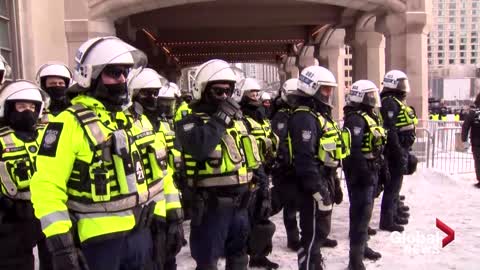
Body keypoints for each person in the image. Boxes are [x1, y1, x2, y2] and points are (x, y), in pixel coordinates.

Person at [30, 36, 172, 270]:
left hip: (141, 235)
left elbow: (157, 173)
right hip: (99, 244)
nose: (123, 80)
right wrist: (61, 244)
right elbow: (46, 186)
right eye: (115, 72)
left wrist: (166, 217)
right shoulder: (67, 123)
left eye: (126, 73)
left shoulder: (132, 119)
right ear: (90, 76)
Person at [175, 59, 261, 270]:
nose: (224, 97)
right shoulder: (189, 121)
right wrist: (221, 118)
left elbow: (252, 160)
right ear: (202, 91)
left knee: (240, 258)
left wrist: (262, 190)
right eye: (218, 92)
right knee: (207, 263)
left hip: (241, 204)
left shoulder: (237, 121)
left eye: (228, 92)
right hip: (211, 207)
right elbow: (199, 147)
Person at [288, 65, 347, 270]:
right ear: (311, 87)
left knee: (320, 231)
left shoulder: (319, 115)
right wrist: (318, 191)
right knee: (312, 234)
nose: (329, 93)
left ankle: (315, 264)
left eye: (330, 89)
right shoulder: (305, 117)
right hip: (311, 186)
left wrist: (334, 184)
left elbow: (329, 155)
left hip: (324, 179)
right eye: (325, 89)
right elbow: (305, 159)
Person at [129, 68, 185, 270]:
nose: (152, 99)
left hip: (161, 213)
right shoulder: (126, 126)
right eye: (145, 94)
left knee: (168, 260)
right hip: (135, 217)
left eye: (155, 93)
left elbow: (164, 173)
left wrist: (175, 214)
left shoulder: (157, 125)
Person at [0, 80, 48, 270]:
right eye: (21, 106)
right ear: (9, 108)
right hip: (12, 214)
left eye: (32, 106)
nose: (28, 111)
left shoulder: (48, 135)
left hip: (48, 210)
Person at [343, 80, 386, 270]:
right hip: (360, 174)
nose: (373, 99)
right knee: (360, 215)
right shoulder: (355, 119)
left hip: (370, 170)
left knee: (365, 215)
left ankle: (363, 247)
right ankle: (355, 259)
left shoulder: (369, 116)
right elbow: (354, 150)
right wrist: (363, 173)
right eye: (369, 96)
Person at [236, 78, 278, 269]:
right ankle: (248, 253)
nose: (255, 96)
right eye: (251, 93)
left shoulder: (262, 116)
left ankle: (259, 254)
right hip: (250, 173)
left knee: (262, 213)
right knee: (250, 215)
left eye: (257, 93)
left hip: (265, 170)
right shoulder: (241, 118)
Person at [379, 70, 417, 232]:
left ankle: (393, 214)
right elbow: (391, 130)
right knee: (392, 186)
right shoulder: (389, 102)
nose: (404, 87)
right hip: (394, 151)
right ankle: (387, 220)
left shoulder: (394, 101)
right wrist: (397, 152)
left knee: (396, 186)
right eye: (400, 84)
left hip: (400, 148)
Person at [461, 93, 480, 188]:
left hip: (476, 141)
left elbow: (465, 127)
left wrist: (464, 140)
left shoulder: (473, 112)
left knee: (478, 161)